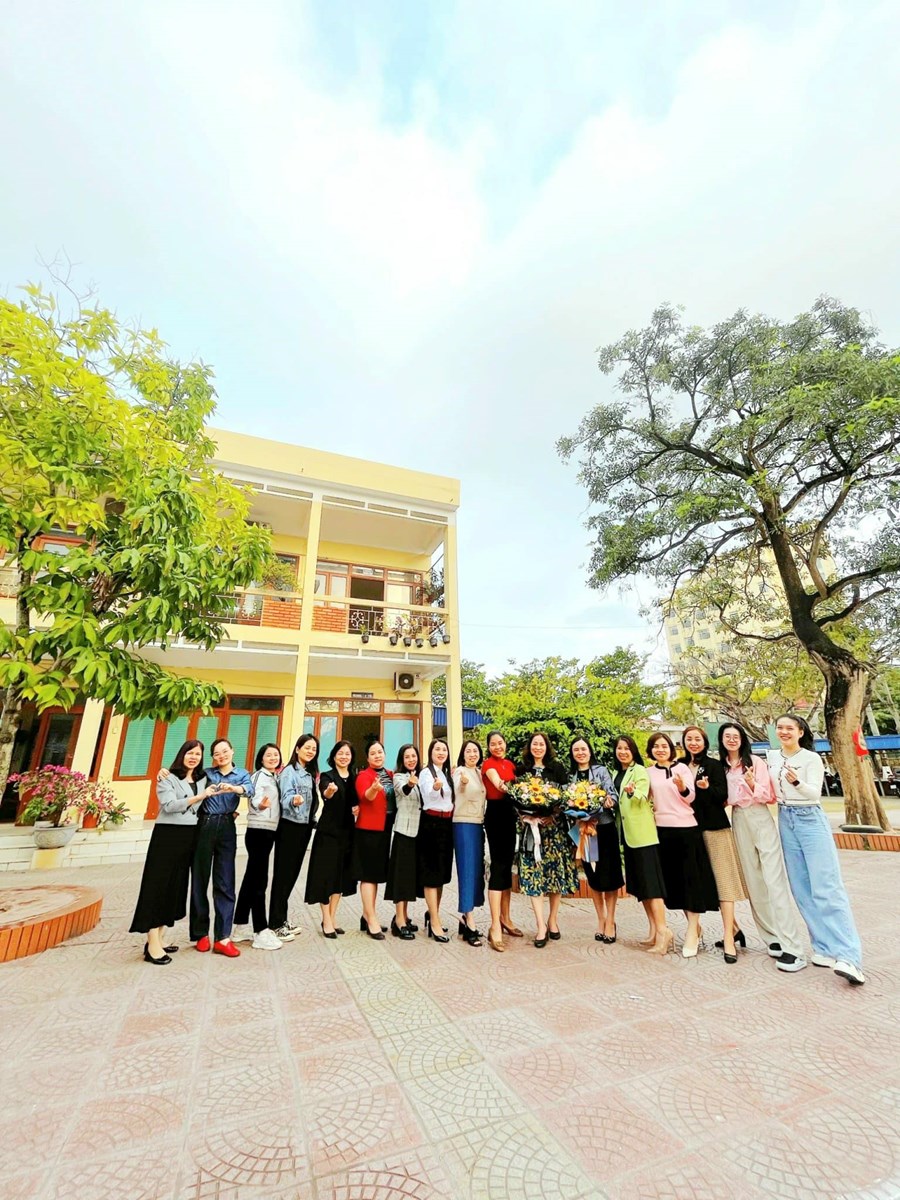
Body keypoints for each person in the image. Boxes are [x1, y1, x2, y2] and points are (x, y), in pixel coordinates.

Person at [768, 713, 865, 986]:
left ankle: (850, 957)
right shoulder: (772, 757)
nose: (784, 732)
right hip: (785, 818)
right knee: (801, 888)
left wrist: (796, 782)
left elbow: (814, 794)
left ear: (801, 732)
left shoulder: (811, 758)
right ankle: (823, 947)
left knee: (827, 888)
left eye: (789, 728)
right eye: (780, 727)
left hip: (810, 818)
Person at [719, 722, 808, 973]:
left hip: (759, 816)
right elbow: (722, 798)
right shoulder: (722, 767)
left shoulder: (755, 763)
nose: (732, 739)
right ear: (722, 740)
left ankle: (792, 945)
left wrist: (750, 784)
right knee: (754, 882)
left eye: (736, 736)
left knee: (773, 880)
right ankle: (772, 938)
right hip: (738, 818)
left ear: (742, 739)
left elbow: (768, 796)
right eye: (727, 736)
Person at [130, 740, 210, 964]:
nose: (193, 757)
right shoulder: (167, 777)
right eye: (189, 753)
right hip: (167, 835)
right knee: (158, 886)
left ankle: (160, 937)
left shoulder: (202, 779)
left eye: (197, 754)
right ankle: (152, 943)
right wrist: (199, 797)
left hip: (189, 836)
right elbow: (169, 805)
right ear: (182, 754)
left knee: (174, 887)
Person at [646, 732, 718, 958]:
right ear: (651, 751)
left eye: (664, 746)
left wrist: (681, 787)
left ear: (671, 748)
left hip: (686, 829)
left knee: (691, 881)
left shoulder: (682, 769)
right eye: (656, 746)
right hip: (662, 831)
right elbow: (646, 798)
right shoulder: (649, 772)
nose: (660, 749)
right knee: (674, 883)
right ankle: (695, 928)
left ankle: (691, 932)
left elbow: (690, 797)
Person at [681, 726, 747, 964]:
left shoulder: (714, 765)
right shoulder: (679, 766)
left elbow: (722, 796)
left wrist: (707, 789)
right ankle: (702, 929)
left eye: (697, 739)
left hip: (714, 829)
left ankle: (729, 937)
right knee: (691, 881)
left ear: (705, 742)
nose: (693, 742)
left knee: (723, 882)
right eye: (689, 739)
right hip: (688, 830)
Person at [190, 737, 254, 957]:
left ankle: (223, 937)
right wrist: (164, 772)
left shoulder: (242, 774)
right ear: (213, 757)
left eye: (225, 751)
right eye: (217, 754)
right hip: (204, 824)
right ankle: (200, 934)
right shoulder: (206, 773)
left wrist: (233, 788)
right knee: (199, 880)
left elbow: (249, 790)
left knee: (225, 881)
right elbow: (185, 777)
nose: (222, 756)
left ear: (232, 751)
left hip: (227, 826)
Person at [516, 732, 578, 948]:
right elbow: (514, 798)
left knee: (554, 875)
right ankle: (540, 925)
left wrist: (553, 815)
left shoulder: (557, 768)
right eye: (535, 744)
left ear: (547, 747)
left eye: (541, 744)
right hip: (531, 831)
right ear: (529, 747)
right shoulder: (522, 770)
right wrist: (524, 816)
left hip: (553, 831)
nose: (538, 747)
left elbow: (566, 798)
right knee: (534, 875)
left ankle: (552, 919)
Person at [613, 736, 671, 955]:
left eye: (626, 748)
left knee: (652, 886)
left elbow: (642, 795)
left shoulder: (639, 771)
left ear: (633, 751)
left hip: (643, 836)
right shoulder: (616, 773)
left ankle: (664, 931)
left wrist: (632, 791)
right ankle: (654, 930)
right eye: (619, 748)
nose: (623, 752)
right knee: (642, 887)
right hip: (628, 836)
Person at [568, 736, 622, 943]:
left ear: (590, 751)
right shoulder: (571, 776)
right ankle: (601, 919)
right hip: (583, 831)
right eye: (576, 750)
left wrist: (606, 801)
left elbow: (613, 796)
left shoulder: (601, 771)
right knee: (594, 877)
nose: (580, 753)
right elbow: (566, 802)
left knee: (610, 877)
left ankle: (611, 921)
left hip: (604, 828)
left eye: (583, 749)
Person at [232, 744, 284, 951]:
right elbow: (252, 797)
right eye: (268, 755)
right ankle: (260, 930)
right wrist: (259, 805)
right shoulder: (258, 776)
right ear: (261, 759)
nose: (272, 758)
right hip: (258, 830)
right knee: (259, 881)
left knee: (251, 879)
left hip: (269, 830)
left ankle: (240, 926)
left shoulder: (274, 777)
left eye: (276, 755)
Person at [305, 739, 358, 938]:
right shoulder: (328, 776)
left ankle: (332, 917)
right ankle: (326, 919)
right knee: (325, 876)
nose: (344, 757)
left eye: (347, 754)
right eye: (340, 753)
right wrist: (330, 791)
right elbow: (325, 793)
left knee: (340, 877)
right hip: (328, 833)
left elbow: (358, 801)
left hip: (348, 833)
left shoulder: (354, 777)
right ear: (334, 756)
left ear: (351, 757)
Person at [268, 734, 319, 942]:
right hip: (290, 827)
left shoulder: (308, 773)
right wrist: (294, 800)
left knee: (291, 875)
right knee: (283, 875)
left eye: (314, 749)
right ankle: (275, 923)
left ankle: (281, 918)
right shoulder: (290, 771)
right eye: (307, 747)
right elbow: (285, 797)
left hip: (303, 827)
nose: (310, 751)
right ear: (297, 749)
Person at [481, 731, 519, 952]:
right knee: (497, 866)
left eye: (500, 743)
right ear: (489, 747)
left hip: (509, 815)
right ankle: (494, 925)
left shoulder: (510, 764)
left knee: (506, 866)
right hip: (495, 816)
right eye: (493, 744)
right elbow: (497, 783)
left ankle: (506, 918)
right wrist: (509, 787)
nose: (497, 747)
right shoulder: (489, 765)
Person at [353, 740, 393, 940]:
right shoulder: (364, 775)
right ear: (367, 757)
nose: (377, 755)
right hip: (368, 831)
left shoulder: (390, 774)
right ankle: (372, 919)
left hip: (384, 830)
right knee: (368, 875)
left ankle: (366, 915)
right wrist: (374, 789)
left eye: (380, 752)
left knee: (375, 875)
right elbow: (365, 796)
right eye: (373, 753)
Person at [417, 738, 455, 943]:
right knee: (432, 873)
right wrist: (434, 787)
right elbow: (427, 794)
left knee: (442, 873)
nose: (441, 752)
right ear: (431, 753)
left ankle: (433, 913)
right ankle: (435, 921)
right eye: (437, 749)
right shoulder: (426, 773)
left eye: (444, 750)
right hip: (431, 823)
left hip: (447, 825)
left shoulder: (447, 774)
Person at [452, 740, 487, 947]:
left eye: (475, 751)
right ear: (463, 755)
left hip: (477, 824)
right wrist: (463, 782)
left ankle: (466, 918)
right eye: (468, 751)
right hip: (463, 824)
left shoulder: (480, 773)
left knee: (475, 872)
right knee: (466, 870)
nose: (472, 754)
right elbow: (459, 787)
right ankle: (469, 920)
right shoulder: (460, 771)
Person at [386, 744, 422, 940]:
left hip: (419, 833)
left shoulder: (423, 775)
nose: (411, 759)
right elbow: (403, 790)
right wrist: (411, 783)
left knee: (409, 877)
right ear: (402, 759)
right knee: (401, 877)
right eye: (407, 757)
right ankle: (399, 920)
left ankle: (405, 916)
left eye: (413, 756)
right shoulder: (398, 777)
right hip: (404, 832)